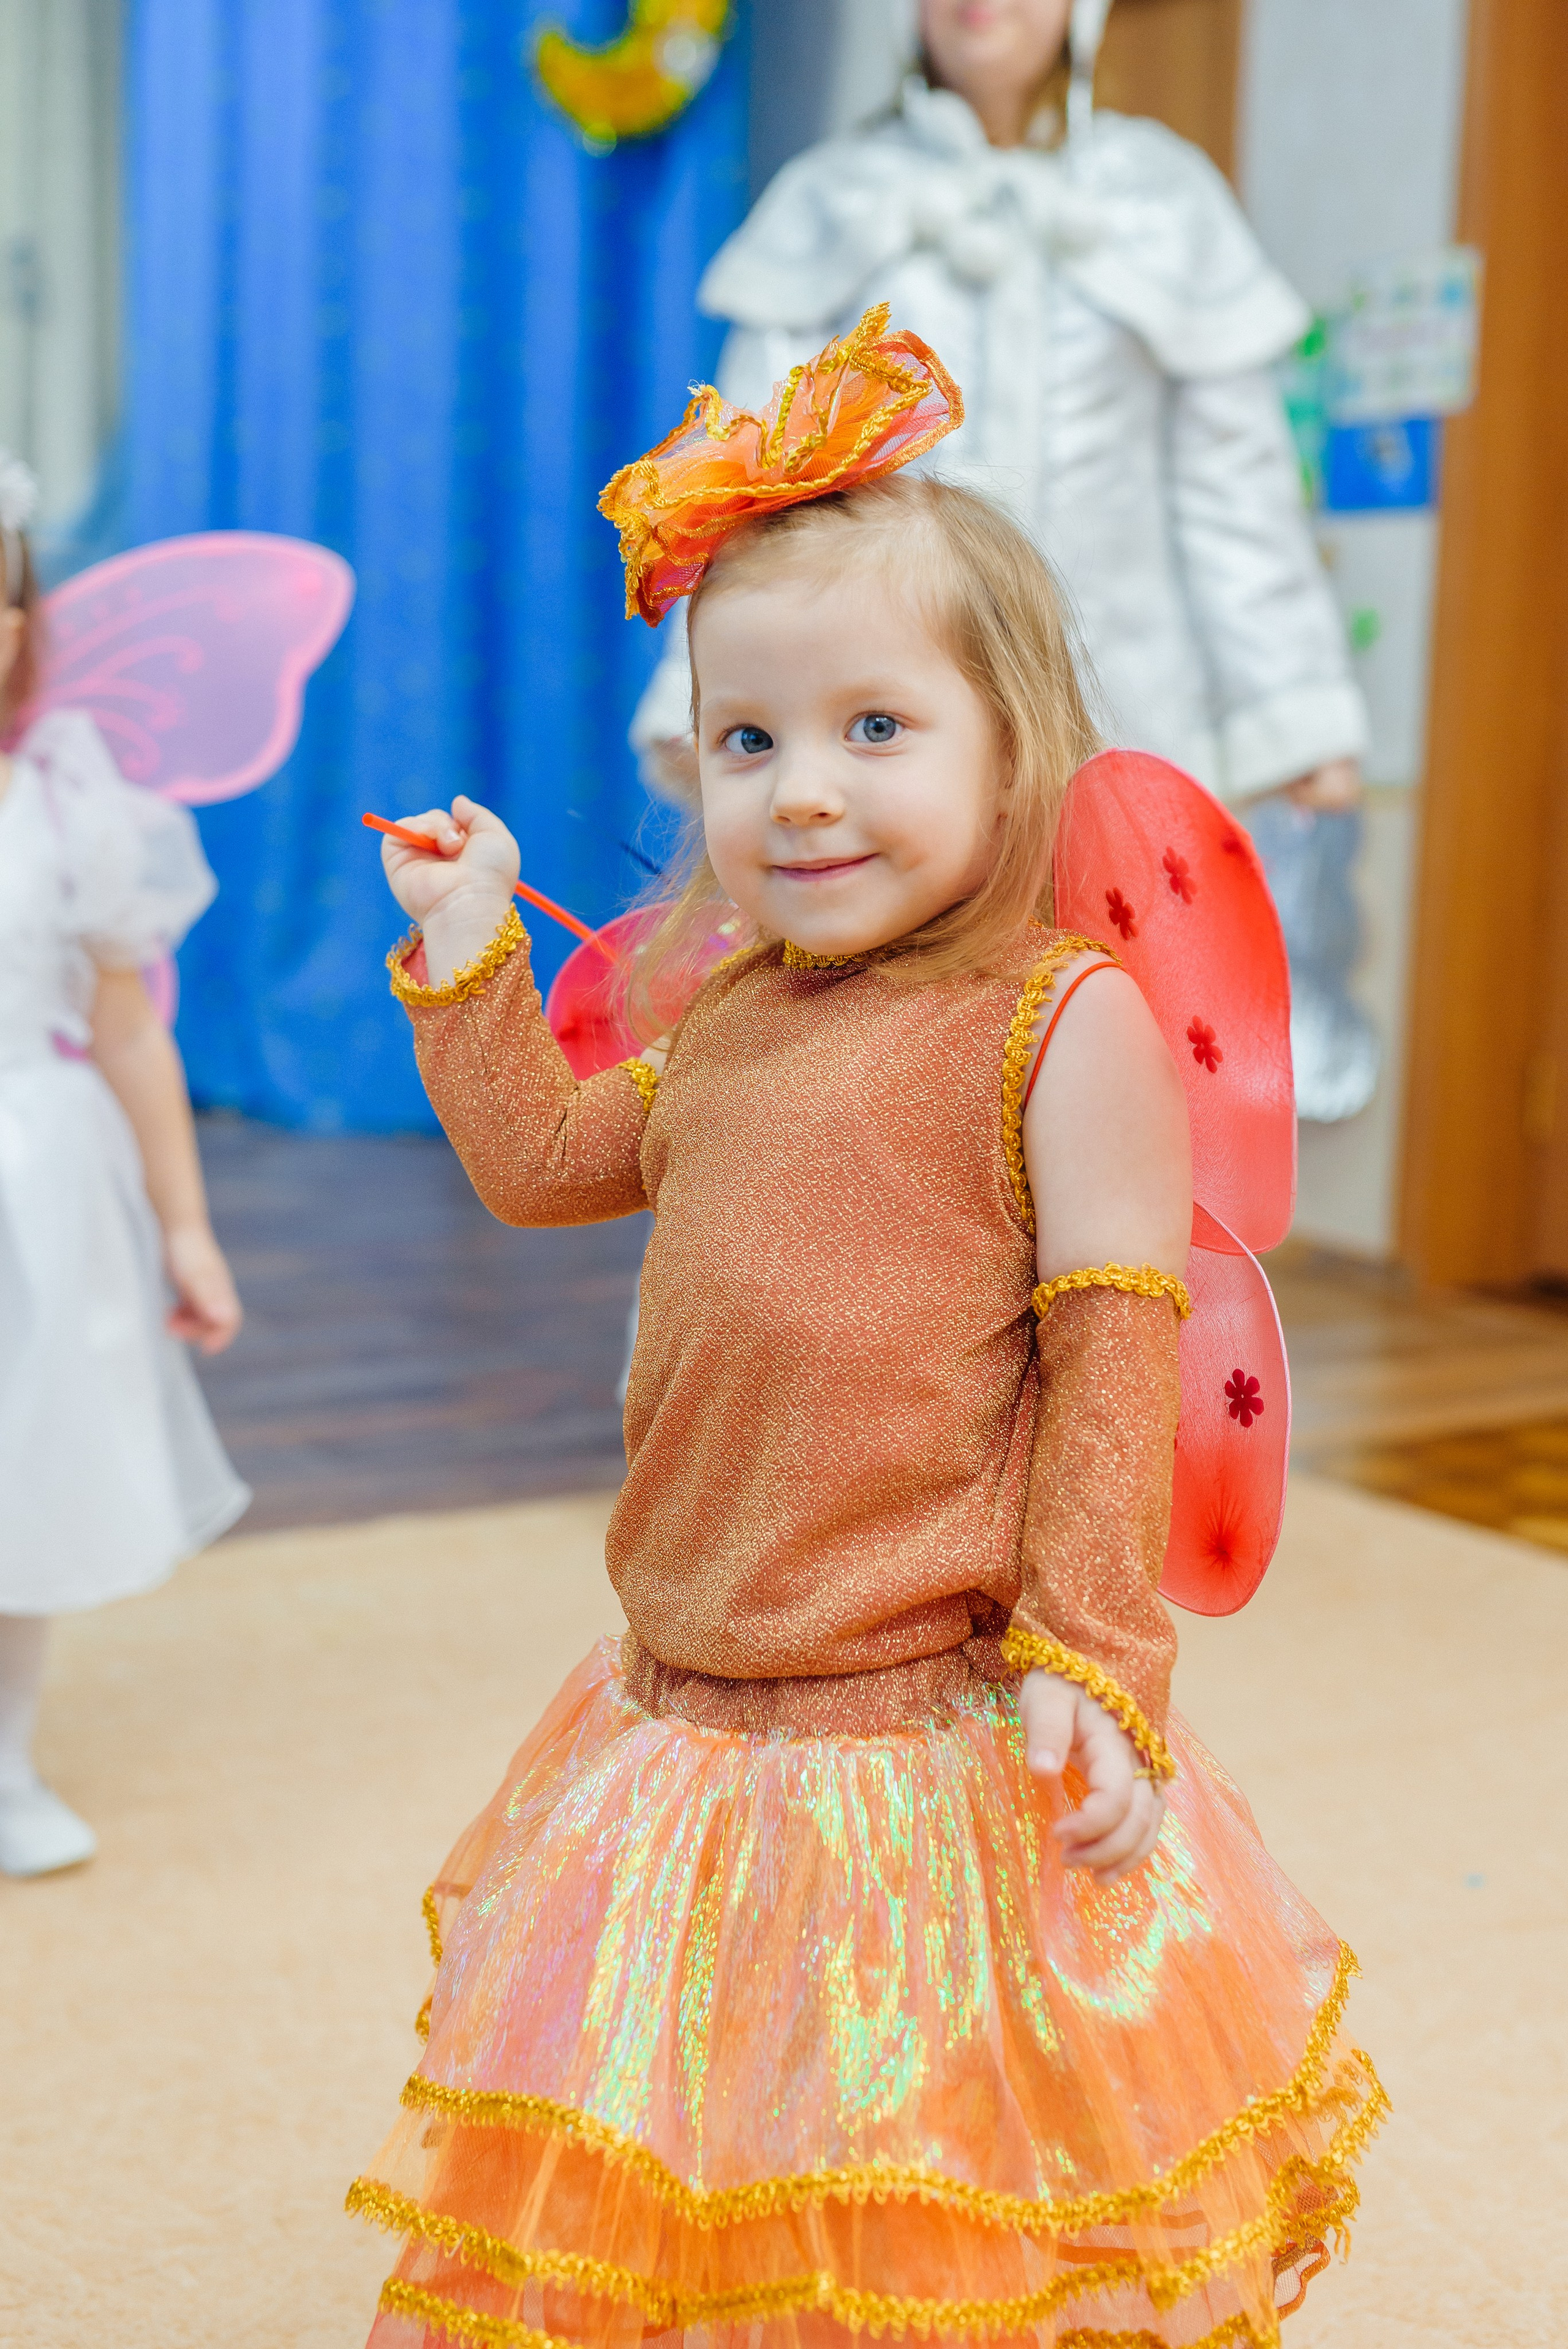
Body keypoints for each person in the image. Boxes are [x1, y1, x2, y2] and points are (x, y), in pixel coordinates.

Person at [347, 316, 1384, 2347]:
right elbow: (549, 1160)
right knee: (681, 2107)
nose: (802, 793)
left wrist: (1101, 1649)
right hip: (685, 1685)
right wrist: (470, 959)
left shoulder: (1054, 1022)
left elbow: (1112, 1360)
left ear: (1016, 746)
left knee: (922, 2145)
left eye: (875, 731)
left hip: (917, 1710)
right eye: (749, 743)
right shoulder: (727, 1013)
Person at [632, 0, 1377, 1120]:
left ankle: (1105, 1292)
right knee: (886, 1054)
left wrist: (1297, 712)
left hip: (1131, 713)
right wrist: (705, 703)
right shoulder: (833, 200)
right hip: (877, 720)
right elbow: (750, 467)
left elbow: (1235, 492)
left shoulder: (1164, 197)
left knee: (1114, 1060)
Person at [0, 451, 249, 1879]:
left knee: (24, 1470)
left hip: (35, 1169)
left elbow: (130, 1034)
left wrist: (187, 1227)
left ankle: (8, 1756)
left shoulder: (65, 807)